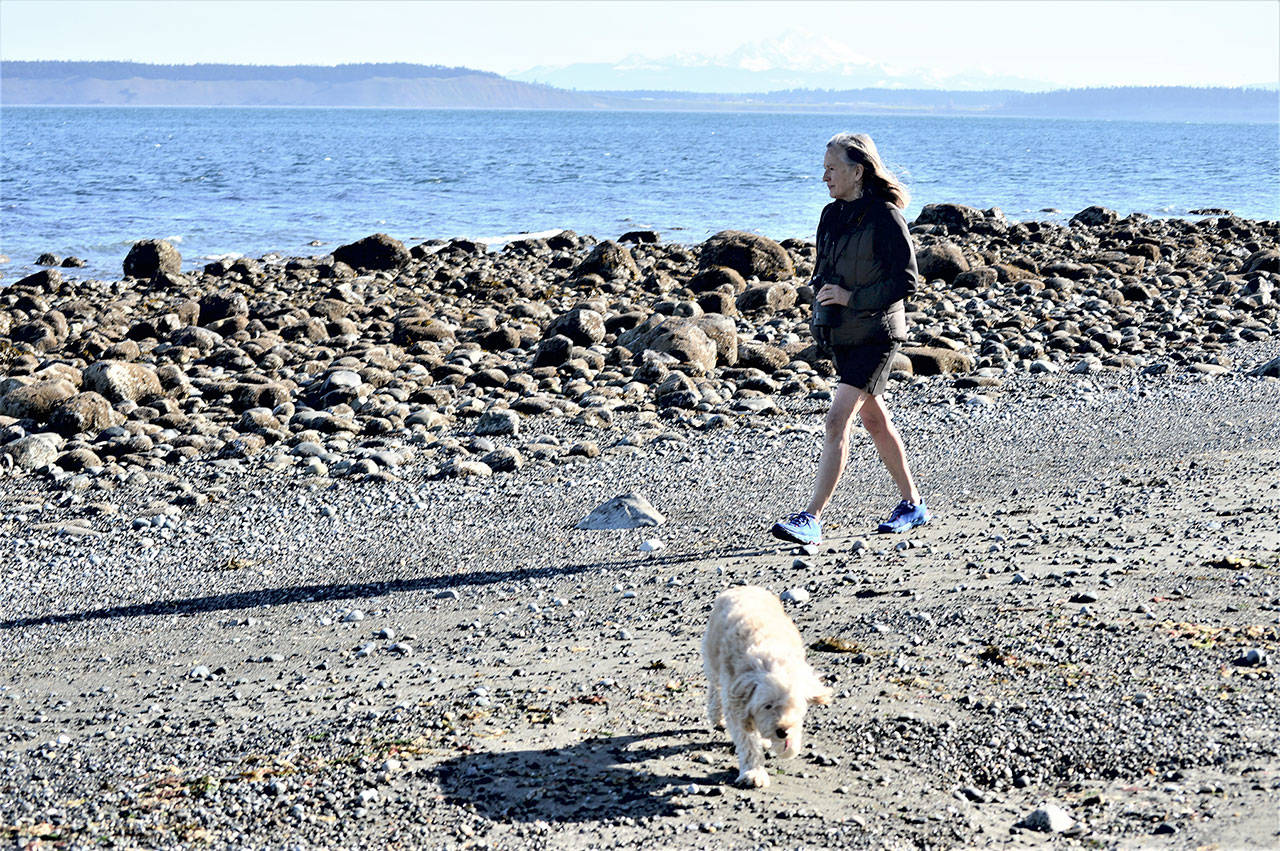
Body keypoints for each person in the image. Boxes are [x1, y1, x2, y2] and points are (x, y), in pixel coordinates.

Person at [771, 132, 928, 546]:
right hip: (843, 332)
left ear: (857, 171)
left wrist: (852, 297)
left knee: (837, 418)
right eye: (823, 168)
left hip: (878, 333)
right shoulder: (831, 214)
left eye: (831, 169)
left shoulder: (886, 217)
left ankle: (811, 517)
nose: (824, 176)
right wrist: (823, 304)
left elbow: (906, 281)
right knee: (874, 421)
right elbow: (823, 269)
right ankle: (913, 504)